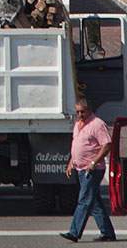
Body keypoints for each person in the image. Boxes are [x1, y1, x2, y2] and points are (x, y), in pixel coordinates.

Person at [61, 97, 116, 242]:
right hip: (80, 168)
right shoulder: (78, 124)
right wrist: (71, 162)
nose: (80, 115)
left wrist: (93, 162)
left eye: (82, 111)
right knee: (95, 203)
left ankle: (74, 232)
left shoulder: (97, 124)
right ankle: (107, 232)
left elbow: (106, 145)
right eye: (78, 112)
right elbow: (76, 145)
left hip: (92, 169)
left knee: (84, 200)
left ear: (89, 110)